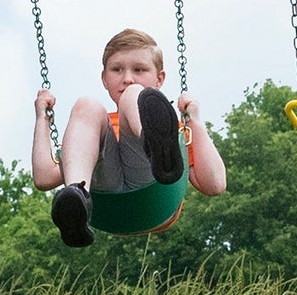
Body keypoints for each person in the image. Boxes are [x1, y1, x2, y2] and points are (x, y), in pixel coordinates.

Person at [28, 28, 226, 247]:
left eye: (139, 69)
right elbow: (44, 178)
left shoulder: (171, 131)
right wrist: (42, 118)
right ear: (104, 78)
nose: (127, 78)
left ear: (159, 78)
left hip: (155, 194)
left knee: (134, 95)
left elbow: (215, 184)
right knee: (87, 105)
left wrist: (194, 121)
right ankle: (76, 198)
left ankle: (153, 145)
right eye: (117, 70)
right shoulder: (88, 132)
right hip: (102, 200)